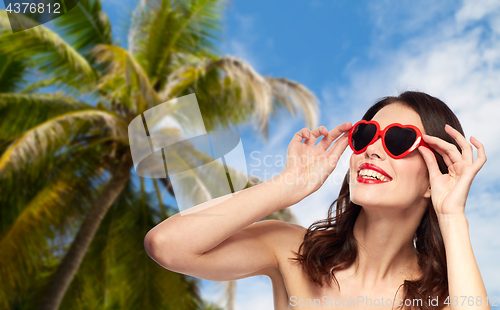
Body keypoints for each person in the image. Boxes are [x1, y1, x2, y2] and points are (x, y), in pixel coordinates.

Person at [144, 91, 489, 310]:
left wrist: (452, 214)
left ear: (434, 178)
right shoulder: (291, 250)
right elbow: (167, 245)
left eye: (398, 140)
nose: (372, 149)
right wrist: (289, 185)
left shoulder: (444, 296)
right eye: (366, 134)